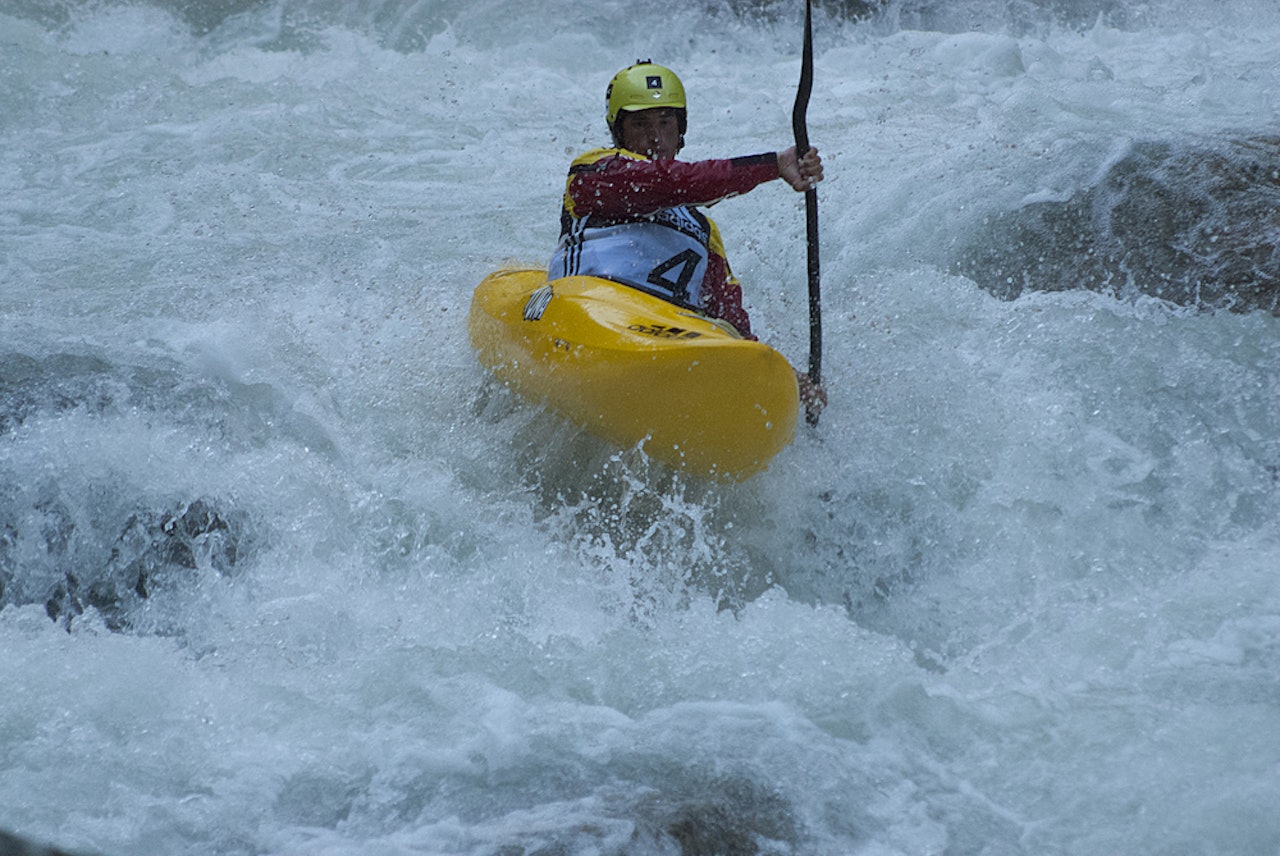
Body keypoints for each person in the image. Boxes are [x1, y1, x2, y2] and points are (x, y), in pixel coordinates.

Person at [549, 60, 827, 413]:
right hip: (590, 312)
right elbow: (670, 182)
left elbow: (729, 322)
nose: (655, 137)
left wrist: (783, 379)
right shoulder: (594, 172)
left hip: (667, 336)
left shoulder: (703, 231)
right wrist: (772, 165)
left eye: (666, 122)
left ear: (681, 129)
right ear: (619, 131)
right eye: (640, 124)